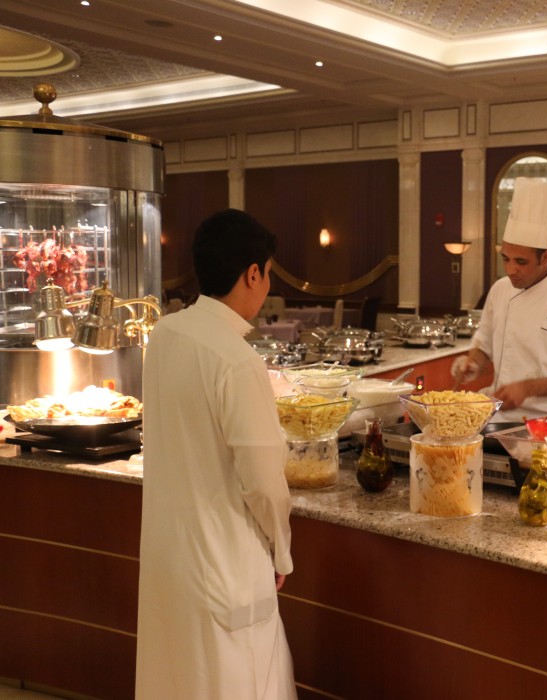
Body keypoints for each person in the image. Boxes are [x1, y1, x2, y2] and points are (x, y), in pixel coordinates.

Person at [136, 209, 297, 699]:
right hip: (226, 565)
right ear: (253, 274)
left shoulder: (165, 335)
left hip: (170, 560)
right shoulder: (237, 360)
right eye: (268, 274)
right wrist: (282, 552)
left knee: (176, 680)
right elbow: (264, 482)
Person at [451, 178, 547, 419]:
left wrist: (527, 388)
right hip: (497, 416)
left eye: (521, 262)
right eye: (506, 259)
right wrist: (473, 363)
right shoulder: (500, 290)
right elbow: (485, 344)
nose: (510, 270)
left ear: (545, 258)